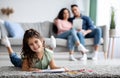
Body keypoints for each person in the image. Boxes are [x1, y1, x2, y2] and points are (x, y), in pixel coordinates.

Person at [1, 29, 69, 72]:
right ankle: (8, 46)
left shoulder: (49, 54)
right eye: (31, 44)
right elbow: (24, 68)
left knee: (48, 51)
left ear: (42, 41)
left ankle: (51, 47)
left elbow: (53, 67)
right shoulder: (28, 54)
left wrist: (62, 68)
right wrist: (31, 69)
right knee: (15, 59)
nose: (35, 46)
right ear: (28, 46)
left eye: (36, 42)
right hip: (22, 63)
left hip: (46, 51)